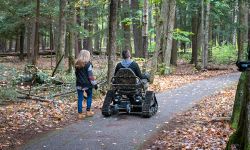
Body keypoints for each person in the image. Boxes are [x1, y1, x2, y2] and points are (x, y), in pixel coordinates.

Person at [75, 50, 98, 119]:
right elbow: (90, 76)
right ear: (87, 56)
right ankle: (88, 111)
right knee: (89, 95)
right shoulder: (88, 64)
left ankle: (80, 114)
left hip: (79, 83)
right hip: (87, 84)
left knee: (80, 98)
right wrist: (95, 84)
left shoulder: (76, 64)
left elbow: (76, 74)